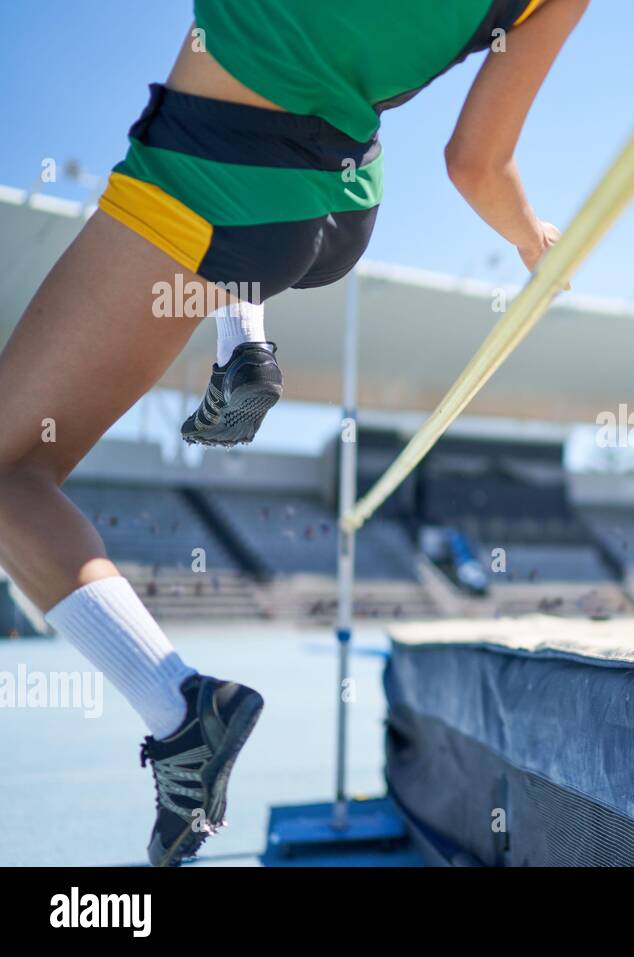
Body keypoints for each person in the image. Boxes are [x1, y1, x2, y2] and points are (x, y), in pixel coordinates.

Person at [0, 0, 588, 865]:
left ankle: (181, 715)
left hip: (206, 175)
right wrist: (536, 241)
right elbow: (476, 164)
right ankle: (245, 338)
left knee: (10, 470)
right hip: (336, 205)